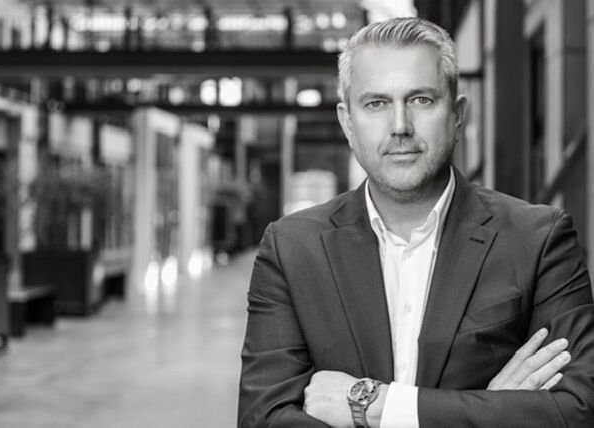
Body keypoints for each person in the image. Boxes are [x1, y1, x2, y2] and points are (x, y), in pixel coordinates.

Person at [238, 17, 594, 427]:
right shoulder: (291, 250)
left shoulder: (538, 240)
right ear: (347, 123)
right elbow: (262, 419)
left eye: (421, 99)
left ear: (457, 115)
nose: (400, 127)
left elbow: (578, 411)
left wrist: (378, 406)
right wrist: (488, 409)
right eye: (376, 103)